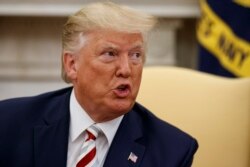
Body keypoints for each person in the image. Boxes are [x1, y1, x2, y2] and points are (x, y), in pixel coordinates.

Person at [0, 2, 198, 167]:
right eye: (110, 54)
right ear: (72, 65)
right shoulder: (9, 123)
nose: (126, 69)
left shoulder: (173, 152)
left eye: (135, 55)